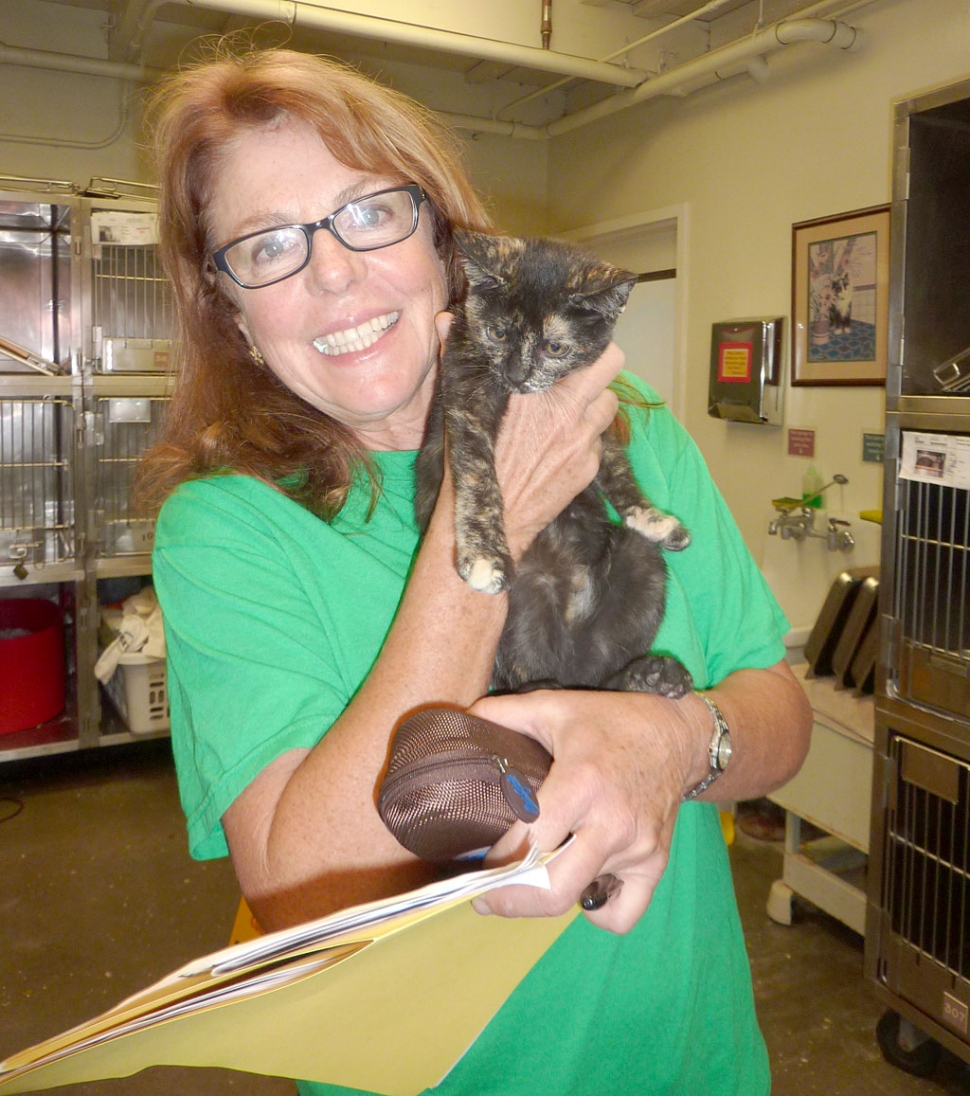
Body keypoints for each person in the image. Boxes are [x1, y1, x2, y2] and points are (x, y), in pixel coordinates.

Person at [139, 45, 813, 1096]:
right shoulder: (225, 530)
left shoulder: (624, 427)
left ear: (440, 234)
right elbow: (305, 897)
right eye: (266, 245)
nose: (330, 273)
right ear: (230, 308)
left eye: (370, 212)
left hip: (696, 1065)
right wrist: (484, 514)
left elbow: (778, 711)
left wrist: (678, 739)